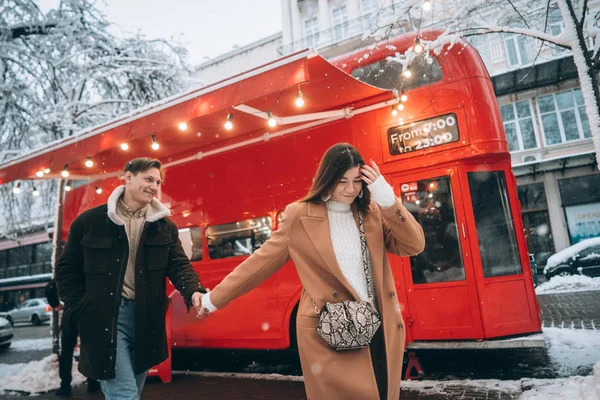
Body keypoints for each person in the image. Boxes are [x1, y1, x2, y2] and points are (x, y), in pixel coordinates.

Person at [196, 143, 425, 400]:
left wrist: (386, 198)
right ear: (327, 179)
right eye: (342, 181)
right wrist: (213, 299)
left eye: (357, 181)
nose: (351, 189)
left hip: (377, 327)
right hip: (330, 332)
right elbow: (259, 264)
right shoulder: (299, 216)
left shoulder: (371, 212)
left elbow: (413, 245)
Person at [56, 158, 206, 400]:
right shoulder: (89, 222)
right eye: (148, 179)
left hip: (147, 319)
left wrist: (194, 290)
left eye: (158, 181)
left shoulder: (164, 227)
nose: (154, 186)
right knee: (124, 393)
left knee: (131, 391)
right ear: (127, 177)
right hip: (106, 318)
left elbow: (179, 265)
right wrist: (81, 308)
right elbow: (66, 269)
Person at [44, 279, 100, 396]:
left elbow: (50, 288)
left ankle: (65, 386)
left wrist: (55, 304)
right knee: (89, 347)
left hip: (70, 311)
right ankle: (92, 382)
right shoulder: (87, 267)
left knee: (67, 351)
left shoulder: (68, 268)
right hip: (87, 311)